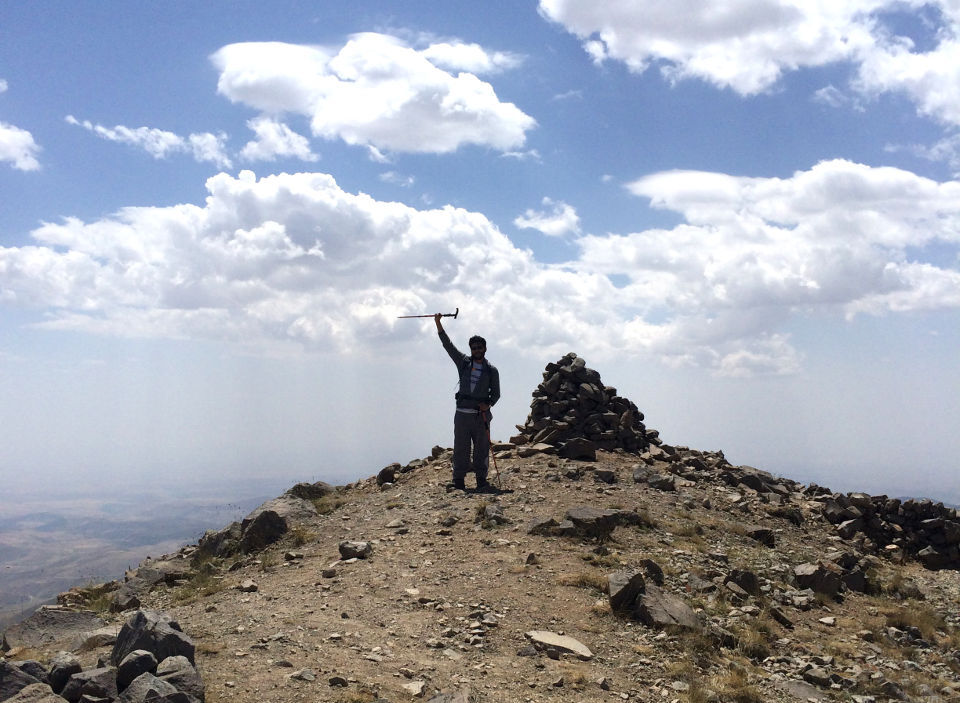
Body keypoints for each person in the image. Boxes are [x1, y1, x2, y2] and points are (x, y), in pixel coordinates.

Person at [434, 313, 500, 492]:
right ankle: (459, 481)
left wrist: (488, 404)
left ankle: (481, 480)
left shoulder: (491, 370)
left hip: (481, 416)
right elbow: (448, 345)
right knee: (460, 448)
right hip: (462, 414)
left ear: (485, 348)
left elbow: (496, 394)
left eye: (480, 347)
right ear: (471, 349)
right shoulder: (463, 362)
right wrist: (438, 323)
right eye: (474, 347)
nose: (477, 350)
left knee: (481, 448)